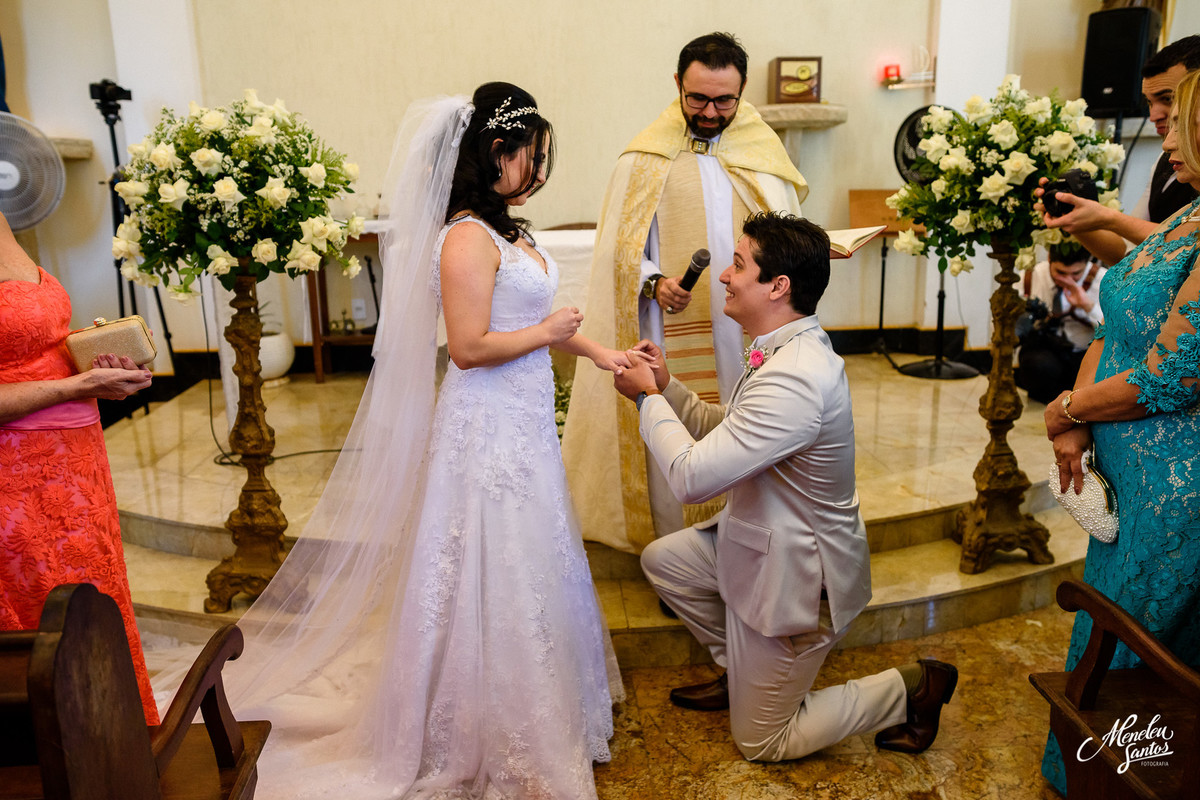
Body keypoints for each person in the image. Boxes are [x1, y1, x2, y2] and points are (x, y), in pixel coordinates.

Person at [153, 84, 624, 799]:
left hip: (522, 425)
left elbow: (539, 313)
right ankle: (480, 726)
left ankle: (546, 707)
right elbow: (468, 347)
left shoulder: (512, 232)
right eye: (534, 155)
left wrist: (595, 352)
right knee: (488, 567)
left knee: (534, 561)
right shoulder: (465, 237)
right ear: (497, 153)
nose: (541, 170)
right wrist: (549, 337)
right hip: (486, 426)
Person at [612, 211, 958, 761]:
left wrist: (644, 400)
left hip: (799, 571)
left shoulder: (795, 375)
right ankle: (742, 674)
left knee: (762, 742)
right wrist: (666, 386)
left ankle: (911, 688)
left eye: (739, 264)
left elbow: (692, 479)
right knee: (665, 561)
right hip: (758, 536)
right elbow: (725, 430)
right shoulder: (778, 347)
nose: (724, 276)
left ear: (778, 286)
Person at [562, 32, 808, 554]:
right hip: (669, 328)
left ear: (742, 92)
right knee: (675, 421)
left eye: (725, 99)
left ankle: (753, 544)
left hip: (749, 335)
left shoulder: (764, 158)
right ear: (677, 84)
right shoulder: (643, 159)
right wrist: (656, 282)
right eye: (697, 97)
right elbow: (619, 250)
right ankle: (679, 547)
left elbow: (793, 247)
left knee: (748, 425)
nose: (711, 111)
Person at [1040, 68, 1200, 795]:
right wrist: (1079, 411)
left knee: (1145, 646)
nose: (1163, 128)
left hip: (1177, 489)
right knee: (1108, 630)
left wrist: (1067, 410)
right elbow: (1126, 318)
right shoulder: (1190, 215)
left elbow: (1171, 375)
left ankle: (1127, 785)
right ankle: (1083, 773)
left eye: (1179, 114)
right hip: (1129, 475)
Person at [0, 211, 157, 724]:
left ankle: (118, 746)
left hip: (75, 464)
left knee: (96, 600)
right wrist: (77, 387)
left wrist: (97, 367)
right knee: (50, 620)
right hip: (16, 474)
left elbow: (29, 347)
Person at [1038, 36, 1200, 265]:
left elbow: (1189, 242)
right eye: (1149, 102)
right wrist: (1073, 217)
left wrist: (1109, 218)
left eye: (1168, 98)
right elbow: (1128, 252)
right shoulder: (1163, 163)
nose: (1154, 115)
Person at [1017, 241, 1106, 404]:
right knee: (1037, 366)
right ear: (1049, 258)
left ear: (1087, 262)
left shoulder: (1103, 280)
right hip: (1045, 353)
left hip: (1083, 353)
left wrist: (1088, 306)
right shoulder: (1032, 276)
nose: (1067, 280)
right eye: (1060, 273)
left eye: (1075, 274)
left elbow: (1114, 330)